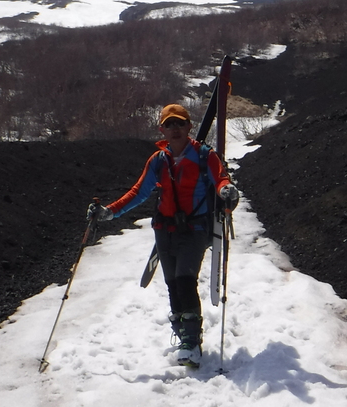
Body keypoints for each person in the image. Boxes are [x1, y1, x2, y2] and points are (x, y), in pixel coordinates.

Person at [88, 103, 240, 367]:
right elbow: (139, 191)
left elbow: (220, 179)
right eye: (169, 124)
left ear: (188, 126)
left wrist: (227, 190)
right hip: (164, 229)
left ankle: (191, 342)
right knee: (172, 283)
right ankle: (184, 337)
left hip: (195, 229)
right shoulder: (158, 160)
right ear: (162, 129)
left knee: (184, 278)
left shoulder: (205, 155)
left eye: (179, 123)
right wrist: (109, 212)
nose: (175, 128)